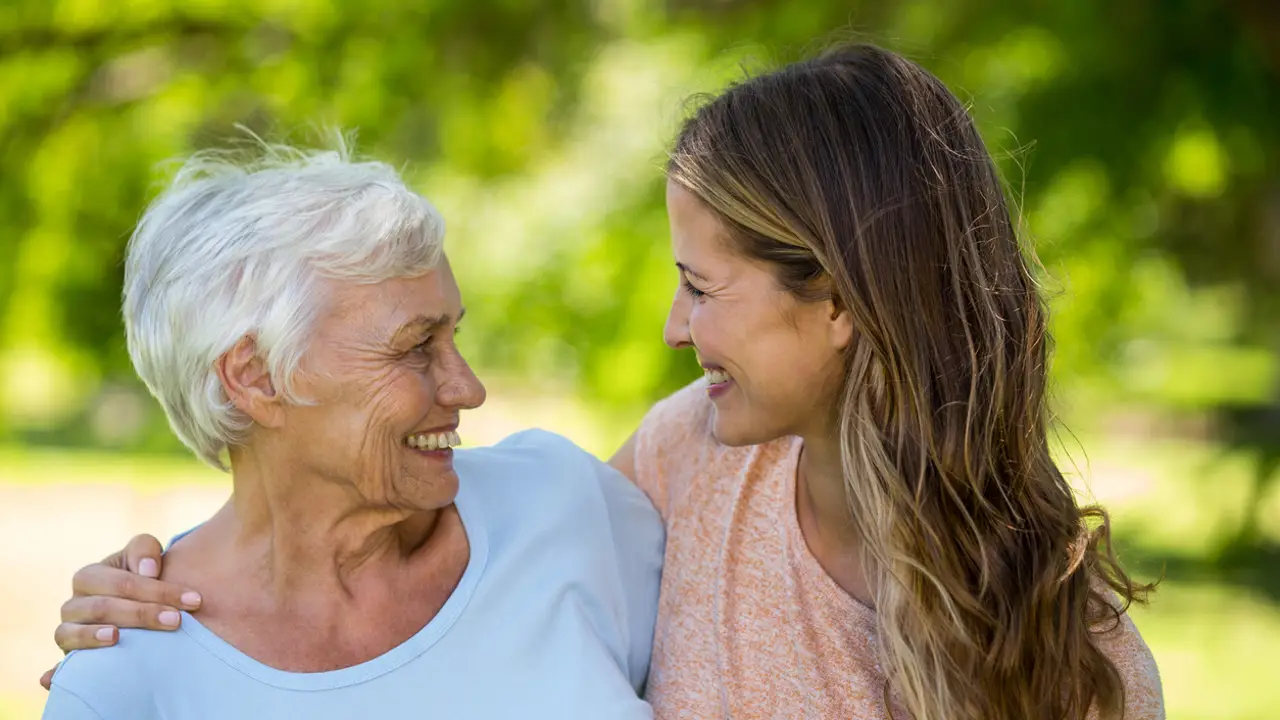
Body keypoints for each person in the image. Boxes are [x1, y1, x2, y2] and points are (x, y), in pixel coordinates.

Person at [49, 44, 1163, 720]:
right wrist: (140, 607)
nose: (675, 329)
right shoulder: (688, 461)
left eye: (699, 284)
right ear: (254, 376)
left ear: (838, 305)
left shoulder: (1056, 638)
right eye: (413, 347)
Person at [40, 141, 663, 719]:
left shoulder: (562, 504)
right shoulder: (128, 674)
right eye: (416, 347)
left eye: (453, 335)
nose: (467, 388)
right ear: (257, 377)